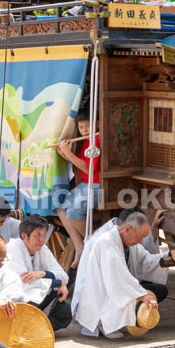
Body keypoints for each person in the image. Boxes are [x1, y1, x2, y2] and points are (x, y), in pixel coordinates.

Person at [73, 211, 175, 338]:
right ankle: (103, 321)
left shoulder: (129, 242)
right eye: (140, 237)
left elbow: (146, 261)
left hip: (118, 287)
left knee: (158, 291)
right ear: (128, 229)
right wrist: (142, 295)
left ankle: (119, 320)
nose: (141, 241)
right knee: (137, 294)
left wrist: (169, 254)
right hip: (101, 295)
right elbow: (117, 276)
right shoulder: (107, 241)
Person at [7, 215, 72, 332]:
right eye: (37, 235)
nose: (42, 240)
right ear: (24, 236)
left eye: (44, 234)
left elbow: (64, 276)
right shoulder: (13, 248)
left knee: (65, 312)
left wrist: (43, 273)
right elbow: (24, 283)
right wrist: (57, 282)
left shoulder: (42, 249)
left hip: (34, 296)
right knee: (51, 289)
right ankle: (26, 329)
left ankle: (38, 330)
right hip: (13, 302)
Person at [55, 112, 101, 267]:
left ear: (98, 124)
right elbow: (79, 162)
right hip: (86, 185)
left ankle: (94, 243)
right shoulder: (87, 141)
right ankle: (79, 246)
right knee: (61, 209)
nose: (85, 130)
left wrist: (68, 153)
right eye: (81, 127)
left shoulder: (97, 141)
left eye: (88, 126)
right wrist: (64, 154)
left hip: (98, 185)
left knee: (74, 212)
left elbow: (88, 170)